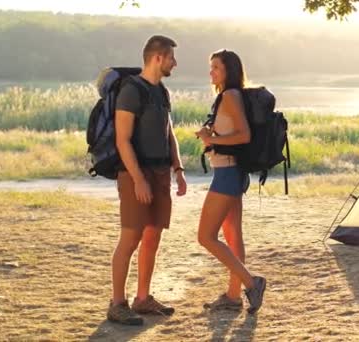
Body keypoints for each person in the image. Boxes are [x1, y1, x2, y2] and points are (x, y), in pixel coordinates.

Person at [107, 35, 187, 326]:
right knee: (130, 238)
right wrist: (139, 179)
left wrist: (178, 169)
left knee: (153, 235)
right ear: (157, 58)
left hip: (161, 173)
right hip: (134, 174)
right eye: (171, 58)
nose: (175, 63)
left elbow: (169, 133)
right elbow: (122, 140)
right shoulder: (131, 91)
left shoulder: (162, 92)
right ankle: (117, 303)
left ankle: (142, 299)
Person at [195, 49, 266, 314]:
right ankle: (234, 296)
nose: (211, 72)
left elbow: (244, 135)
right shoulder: (229, 96)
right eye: (211, 66)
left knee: (205, 236)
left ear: (229, 71)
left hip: (227, 174)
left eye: (216, 68)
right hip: (232, 172)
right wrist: (211, 134)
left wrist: (211, 139)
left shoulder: (230, 96)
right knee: (233, 236)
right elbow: (234, 132)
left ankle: (251, 283)